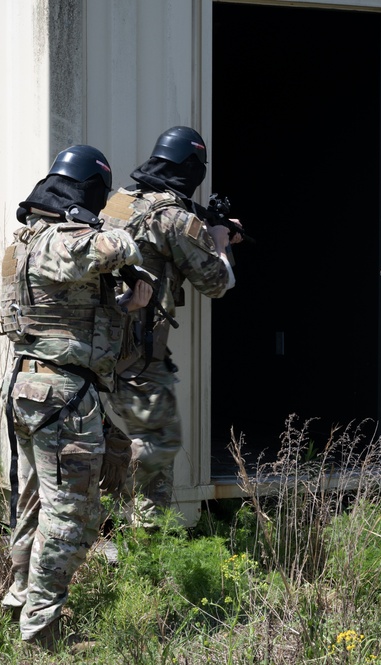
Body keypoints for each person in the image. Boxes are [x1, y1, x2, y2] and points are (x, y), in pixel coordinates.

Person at [0, 144, 150, 649]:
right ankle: (40, 634)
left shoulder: (22, 243)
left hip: (28, 385)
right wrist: (122, 237)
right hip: (61, 395)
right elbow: (112, 247)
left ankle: (19, 600)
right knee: (73, 517)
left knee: (35, 502)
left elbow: (65, 312)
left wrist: (126, 301)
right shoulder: (61, 239)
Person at [97, 126, 242, 527]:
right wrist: (220, 239)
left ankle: (112, 494)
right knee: (159, 442)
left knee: (117, 435)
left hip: (97, 346)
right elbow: (216, 283)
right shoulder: (175, 218)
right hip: (139, 352)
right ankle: (147, 538)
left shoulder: (119, 202)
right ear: (192, 168)